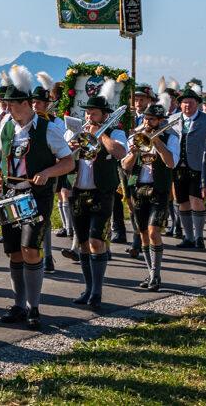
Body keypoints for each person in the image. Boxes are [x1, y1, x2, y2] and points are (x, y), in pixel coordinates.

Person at [0, 68, 75, 330]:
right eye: (6, 104)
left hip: (36, 197)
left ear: (26, 104)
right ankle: (18, 304)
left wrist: (48, 172)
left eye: (11, 104)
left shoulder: (48, 129)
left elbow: (69, 162)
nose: (7, 108)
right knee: (14, 252)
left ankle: (33, 306)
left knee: (31, 249)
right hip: (9, 195)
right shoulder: (5, 127)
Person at [64, 87, 127, 311]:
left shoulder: (116, 133)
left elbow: (120, 153)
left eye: (94, 114)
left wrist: (101, 134)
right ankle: (88, 288)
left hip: (102, 192)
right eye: (87, 113)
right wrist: (69, 147)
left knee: (96, 241)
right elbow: (62, 156)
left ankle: (97, 291)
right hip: (78, 192)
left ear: (104, 116)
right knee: (82, 243)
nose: (89, 117)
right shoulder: (76, 132)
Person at [121, 104, 176, 290]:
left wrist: (157, 141)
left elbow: (170, 162)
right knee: (144, 234)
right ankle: (151, 274)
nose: (147, 122)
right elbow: (126, 166)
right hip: (138, 188)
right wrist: (134, 153)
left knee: (154, 232)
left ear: (161, 121)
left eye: (152, 119)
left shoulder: (171, 136)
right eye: (145, 119)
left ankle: (156, 274)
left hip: (159, 189)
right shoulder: (134, 137)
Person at [167, 87, 206, 249]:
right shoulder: (172, 119)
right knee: (182, 201)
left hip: (198, 166)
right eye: (184, 103)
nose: (186, 106)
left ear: (197, 103)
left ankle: (199, 236)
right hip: (178, 167)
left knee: (196, 200)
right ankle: (188, 236)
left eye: (190, 102)